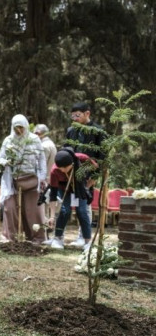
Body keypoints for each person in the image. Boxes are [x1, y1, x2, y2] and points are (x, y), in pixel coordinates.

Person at [0, 114, 47, 244]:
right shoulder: (8, 140)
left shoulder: (34, 139)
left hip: (31, 179)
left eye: (21, 128)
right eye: (16, 128)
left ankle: (36, 237)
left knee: (32, 209)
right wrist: (6, 162)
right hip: (12, 179)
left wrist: (42, 176)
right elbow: (1, 158)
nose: (19, 131)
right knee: (10, 207)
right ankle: (10, 237)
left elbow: (41, 159)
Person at [64, 102, 107, 247]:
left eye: (78, 115)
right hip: (71, 175)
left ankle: (84, 237)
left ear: (87, 113)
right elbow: (66, 151)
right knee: (73, 206)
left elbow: (102, 156)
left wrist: (94, 178)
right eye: (72, 116)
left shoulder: (98, 131)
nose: (74, 118)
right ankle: (78, 237)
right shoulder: (71, 131)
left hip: (88, 174)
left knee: (85, 206)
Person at [46, 148, 97, 250]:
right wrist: (51, 216)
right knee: (65, 211)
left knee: (82, 211)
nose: (63, 170)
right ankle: (58, 238)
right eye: (61, 168)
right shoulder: (54, 171)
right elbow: (53, 195)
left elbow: (97, 171)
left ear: (72, 163)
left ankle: (87, 241)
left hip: (80, 187)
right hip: (63, 188)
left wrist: (87, 186)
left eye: (65, 167)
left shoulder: (82, 159)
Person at [33, 123, 57, 227]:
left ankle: (44, 229)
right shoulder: (51, 144)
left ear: (39, 133)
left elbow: (40, 165)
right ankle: (46, 229)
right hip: (51, 179)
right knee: (47, 206)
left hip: (44, 180)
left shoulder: (44, 146)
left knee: (43, 206)